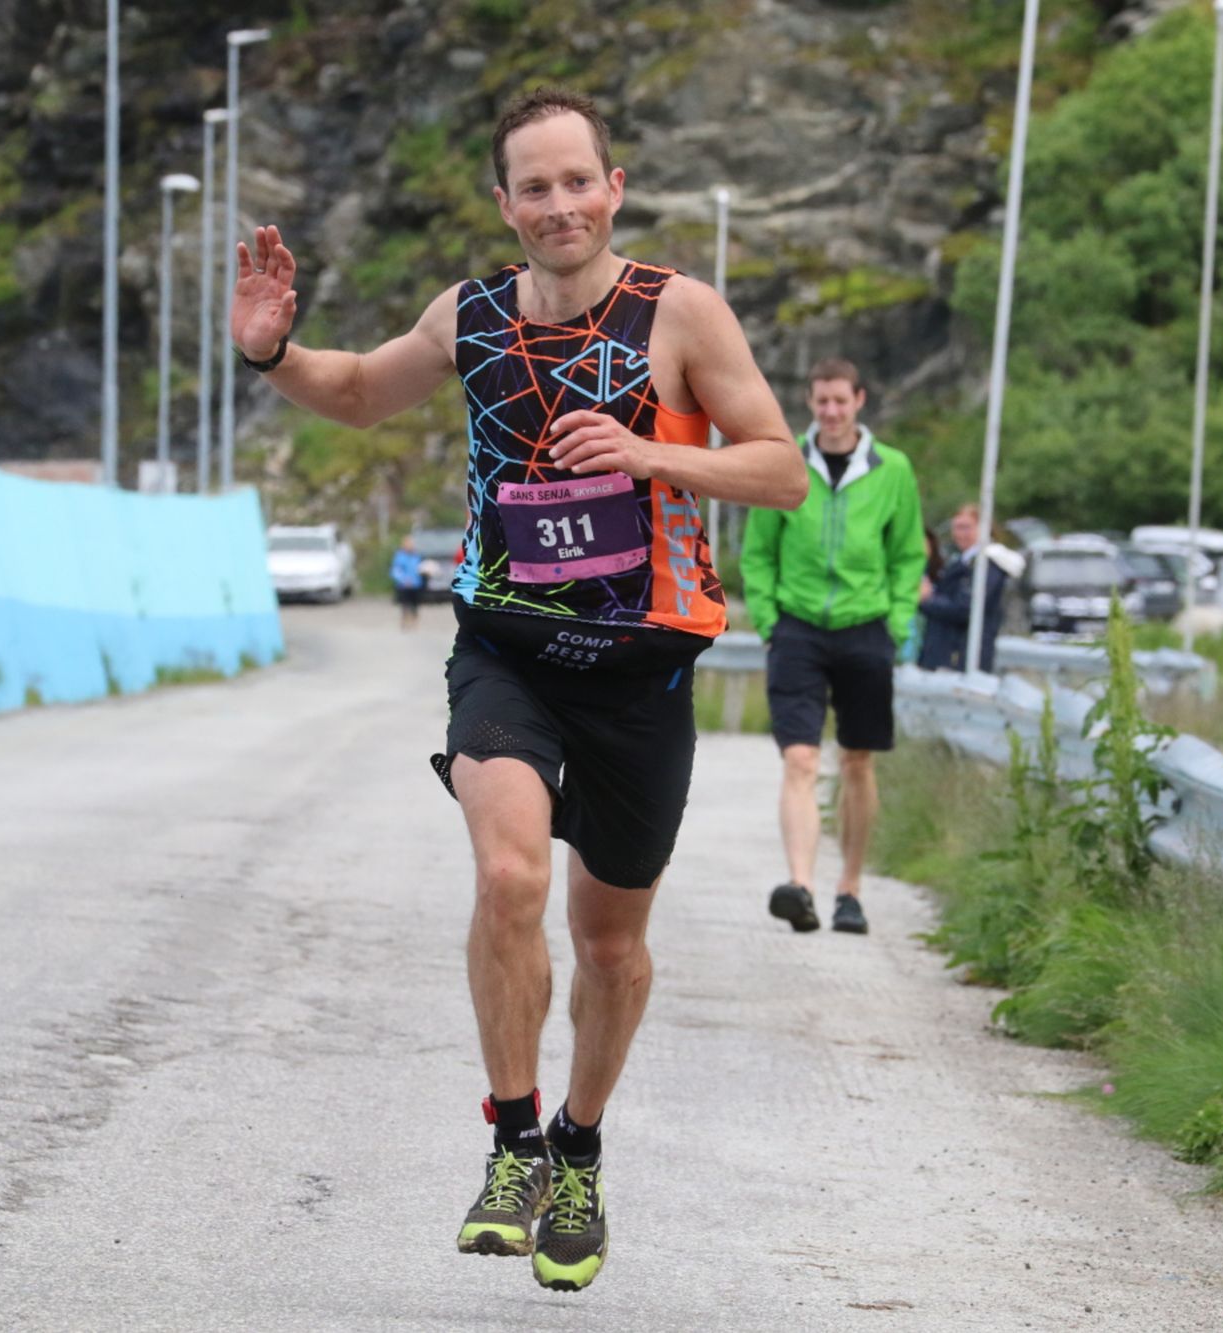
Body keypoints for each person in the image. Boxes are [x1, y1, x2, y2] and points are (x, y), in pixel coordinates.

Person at [229, 86, 804, 1292]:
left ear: (613, 188)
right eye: (533, 187)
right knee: (507, 876)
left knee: (610, 945)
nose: (558, 205)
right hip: (507, 652)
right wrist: (272, 352)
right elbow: (356, 391)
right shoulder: (471, 314)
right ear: (504, 203)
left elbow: (780, 470)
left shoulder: (679, 313)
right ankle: (512, 1140)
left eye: (576, 181)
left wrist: (647, 451)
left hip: (640, 668)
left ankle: (577, 1152)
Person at [742, 358, 925, 938]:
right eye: (822, 400)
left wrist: (896, 624)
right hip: (796, 628)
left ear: (859, 400)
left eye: (840, 400)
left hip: (867, 627)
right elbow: (758, 551)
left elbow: (909, 554)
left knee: (856, 760)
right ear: (810, 402)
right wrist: (769, 622)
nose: (831, 411)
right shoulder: (785, 461)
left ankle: (850, 888)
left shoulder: (893, 469)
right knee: (800, 758)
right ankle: (801, 886)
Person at [917, 503, 1024, 673]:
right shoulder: (963, 561)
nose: (959, 534)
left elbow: (966, 607)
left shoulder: (987, 564)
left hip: (962, 654)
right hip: (947, 650)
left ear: (984, 528)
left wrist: (926, 599)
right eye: (956, 528)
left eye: (966, 527)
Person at [390, 534, 425, 630]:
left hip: (416, 585)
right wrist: (403, 579)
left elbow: (420, 568)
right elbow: (395, 571)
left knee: (415, 605)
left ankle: (414, 622)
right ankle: (405, 622)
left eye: (412, 543)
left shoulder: (417, 556)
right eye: (408, 543)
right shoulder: (399, 556)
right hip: (404, 586)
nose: (410, 545)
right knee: (405, 605)